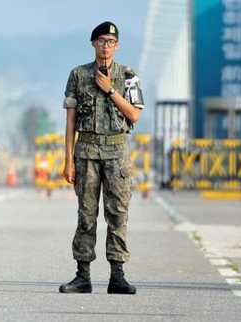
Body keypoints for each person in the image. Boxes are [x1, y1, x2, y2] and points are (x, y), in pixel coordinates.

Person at [59, 21, 144, 294]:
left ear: (117, 46)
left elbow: (134, 115)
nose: (105, 46)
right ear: (93, 44)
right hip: (86, 151)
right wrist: (67, 159)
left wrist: (110, 89)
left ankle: (117, 275)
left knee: (118, 215)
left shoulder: (129, 75)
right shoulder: (78, 75)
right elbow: (70, 120)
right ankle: (82, 275)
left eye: (110, 41)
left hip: (117, 153)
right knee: (86, 215)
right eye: (101, 41)